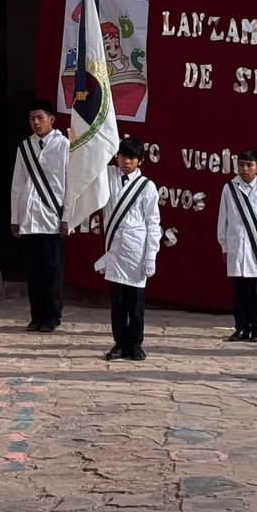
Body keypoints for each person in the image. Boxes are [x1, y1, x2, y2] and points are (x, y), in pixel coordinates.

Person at [95, 137, 161, 362]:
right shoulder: (110, 176)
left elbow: (153, 224)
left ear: (140, 161)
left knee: (135, 304)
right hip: (116, 249)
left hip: (136, 250)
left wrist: (151, 256)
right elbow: (94, 163)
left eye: (132, 158)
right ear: (117, 157)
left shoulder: (147, 187)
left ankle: (135, 344)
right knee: (118, 303)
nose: (126, 162)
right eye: (123, 156)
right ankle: (119, 343)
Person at [10, 100, 69, 332]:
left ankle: (53, 316)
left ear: (51, 119)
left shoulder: (64, 145)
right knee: (34, 272)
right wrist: (15, 217)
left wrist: (67, 217)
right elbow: (17, 183)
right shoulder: (24, 147)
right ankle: (37, 315)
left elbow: (69, 182)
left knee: (52, 270)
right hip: (29, 216)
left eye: (40, 118)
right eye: (32, 119)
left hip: (53, 217)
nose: (36, 123)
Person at [217, 149, 257, 344]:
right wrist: (224, 246)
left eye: (249, 165)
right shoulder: (229, 188)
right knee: (239, 292)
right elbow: (223, 219)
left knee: (256, 292)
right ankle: (241, 327)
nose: (245, 169)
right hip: (236, 246)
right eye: (242, 165)